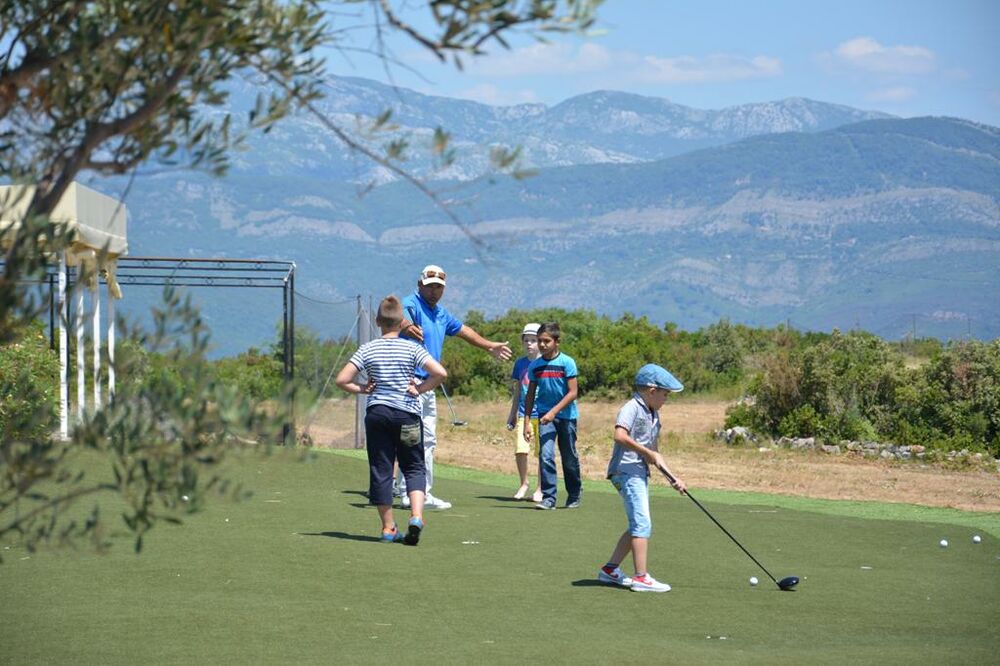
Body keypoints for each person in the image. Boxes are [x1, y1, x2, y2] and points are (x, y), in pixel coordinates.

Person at [396, 264, 512, 510]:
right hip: (409, 381)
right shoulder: (411, 303)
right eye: (429, 287)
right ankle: (413, 493)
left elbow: (464, 330)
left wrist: (489, 345)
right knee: (416, 439)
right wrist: (405, 326)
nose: (434, 292)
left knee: (421, 439)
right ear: (420, 286)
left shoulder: (440, 313)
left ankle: (412, 490)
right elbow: (396, 313)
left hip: (427, 384)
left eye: (438, 287)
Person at [335, 295, 447, 545]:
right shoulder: (413, 348)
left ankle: (388, 527)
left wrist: (363, 388)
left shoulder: (367, 349)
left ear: (377, 321)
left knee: (382, 468)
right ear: (402, 323)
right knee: (414, 465)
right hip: (407, 414)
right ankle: (416, 516)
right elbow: (440, 373)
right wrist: (420, 389)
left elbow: (342, 380)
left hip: (378, 415)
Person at [598, 363, 687, 592]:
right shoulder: (632, 407)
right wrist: (646, 452)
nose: (666, 399)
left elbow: (654, 455)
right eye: (665, 394)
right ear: (651, 390)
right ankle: (641, 578)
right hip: (625, 472)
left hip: (639, 473)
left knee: (637, 524)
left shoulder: (654, 416)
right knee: (642, 524)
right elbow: (619, 435)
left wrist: (673, 478)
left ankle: (610, 570)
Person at [522, 322, 581, 510]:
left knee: (569, 458)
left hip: (566, 417)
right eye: (539, 341)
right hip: (544, 417)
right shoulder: (536, 366)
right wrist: (526, 422)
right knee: (546, 455)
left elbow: (573, 392)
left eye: (546, 341)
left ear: (557, 342)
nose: (542, 345)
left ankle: (574, 494)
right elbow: (530, 395)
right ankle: (549, 498)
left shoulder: (567, 362)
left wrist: (553, 412)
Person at [506, 322, 543, 501]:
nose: (529, 344)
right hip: (523, 414)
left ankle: (540, 489)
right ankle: (524, 483)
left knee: (543, 453)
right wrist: (512, 414)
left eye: (533, 340)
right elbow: (519, 390)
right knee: (521, 450)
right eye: (526, 340)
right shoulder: (520, 364)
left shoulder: (546, 362)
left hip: (543, 416)